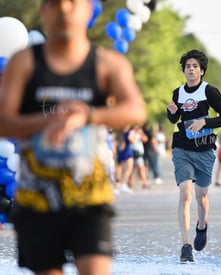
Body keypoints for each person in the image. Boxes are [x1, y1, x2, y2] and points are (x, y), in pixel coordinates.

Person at [0, 0, 147, 274]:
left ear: (89, 10)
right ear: (44, 10)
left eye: (73, 2)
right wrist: (50, 120)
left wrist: (88, 116)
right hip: (37, 199)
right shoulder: (25, 63)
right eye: (55, 3)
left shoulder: (107, 63)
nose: (64, 9)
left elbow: (135, 110)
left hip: (90, 197)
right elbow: (3, 121)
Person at [167, 49, 221, 262]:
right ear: (184, 71)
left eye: (195, 66)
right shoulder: (178, 92)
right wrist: (171, 111)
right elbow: (175, 118)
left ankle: (202, 226)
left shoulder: (209, 91)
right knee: (185, 194)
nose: (191, 70)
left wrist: (204, 122)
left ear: (202, 71)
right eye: (187, 67)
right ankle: (185, 246)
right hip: (182, 148)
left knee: (200, 196)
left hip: (204, 150)